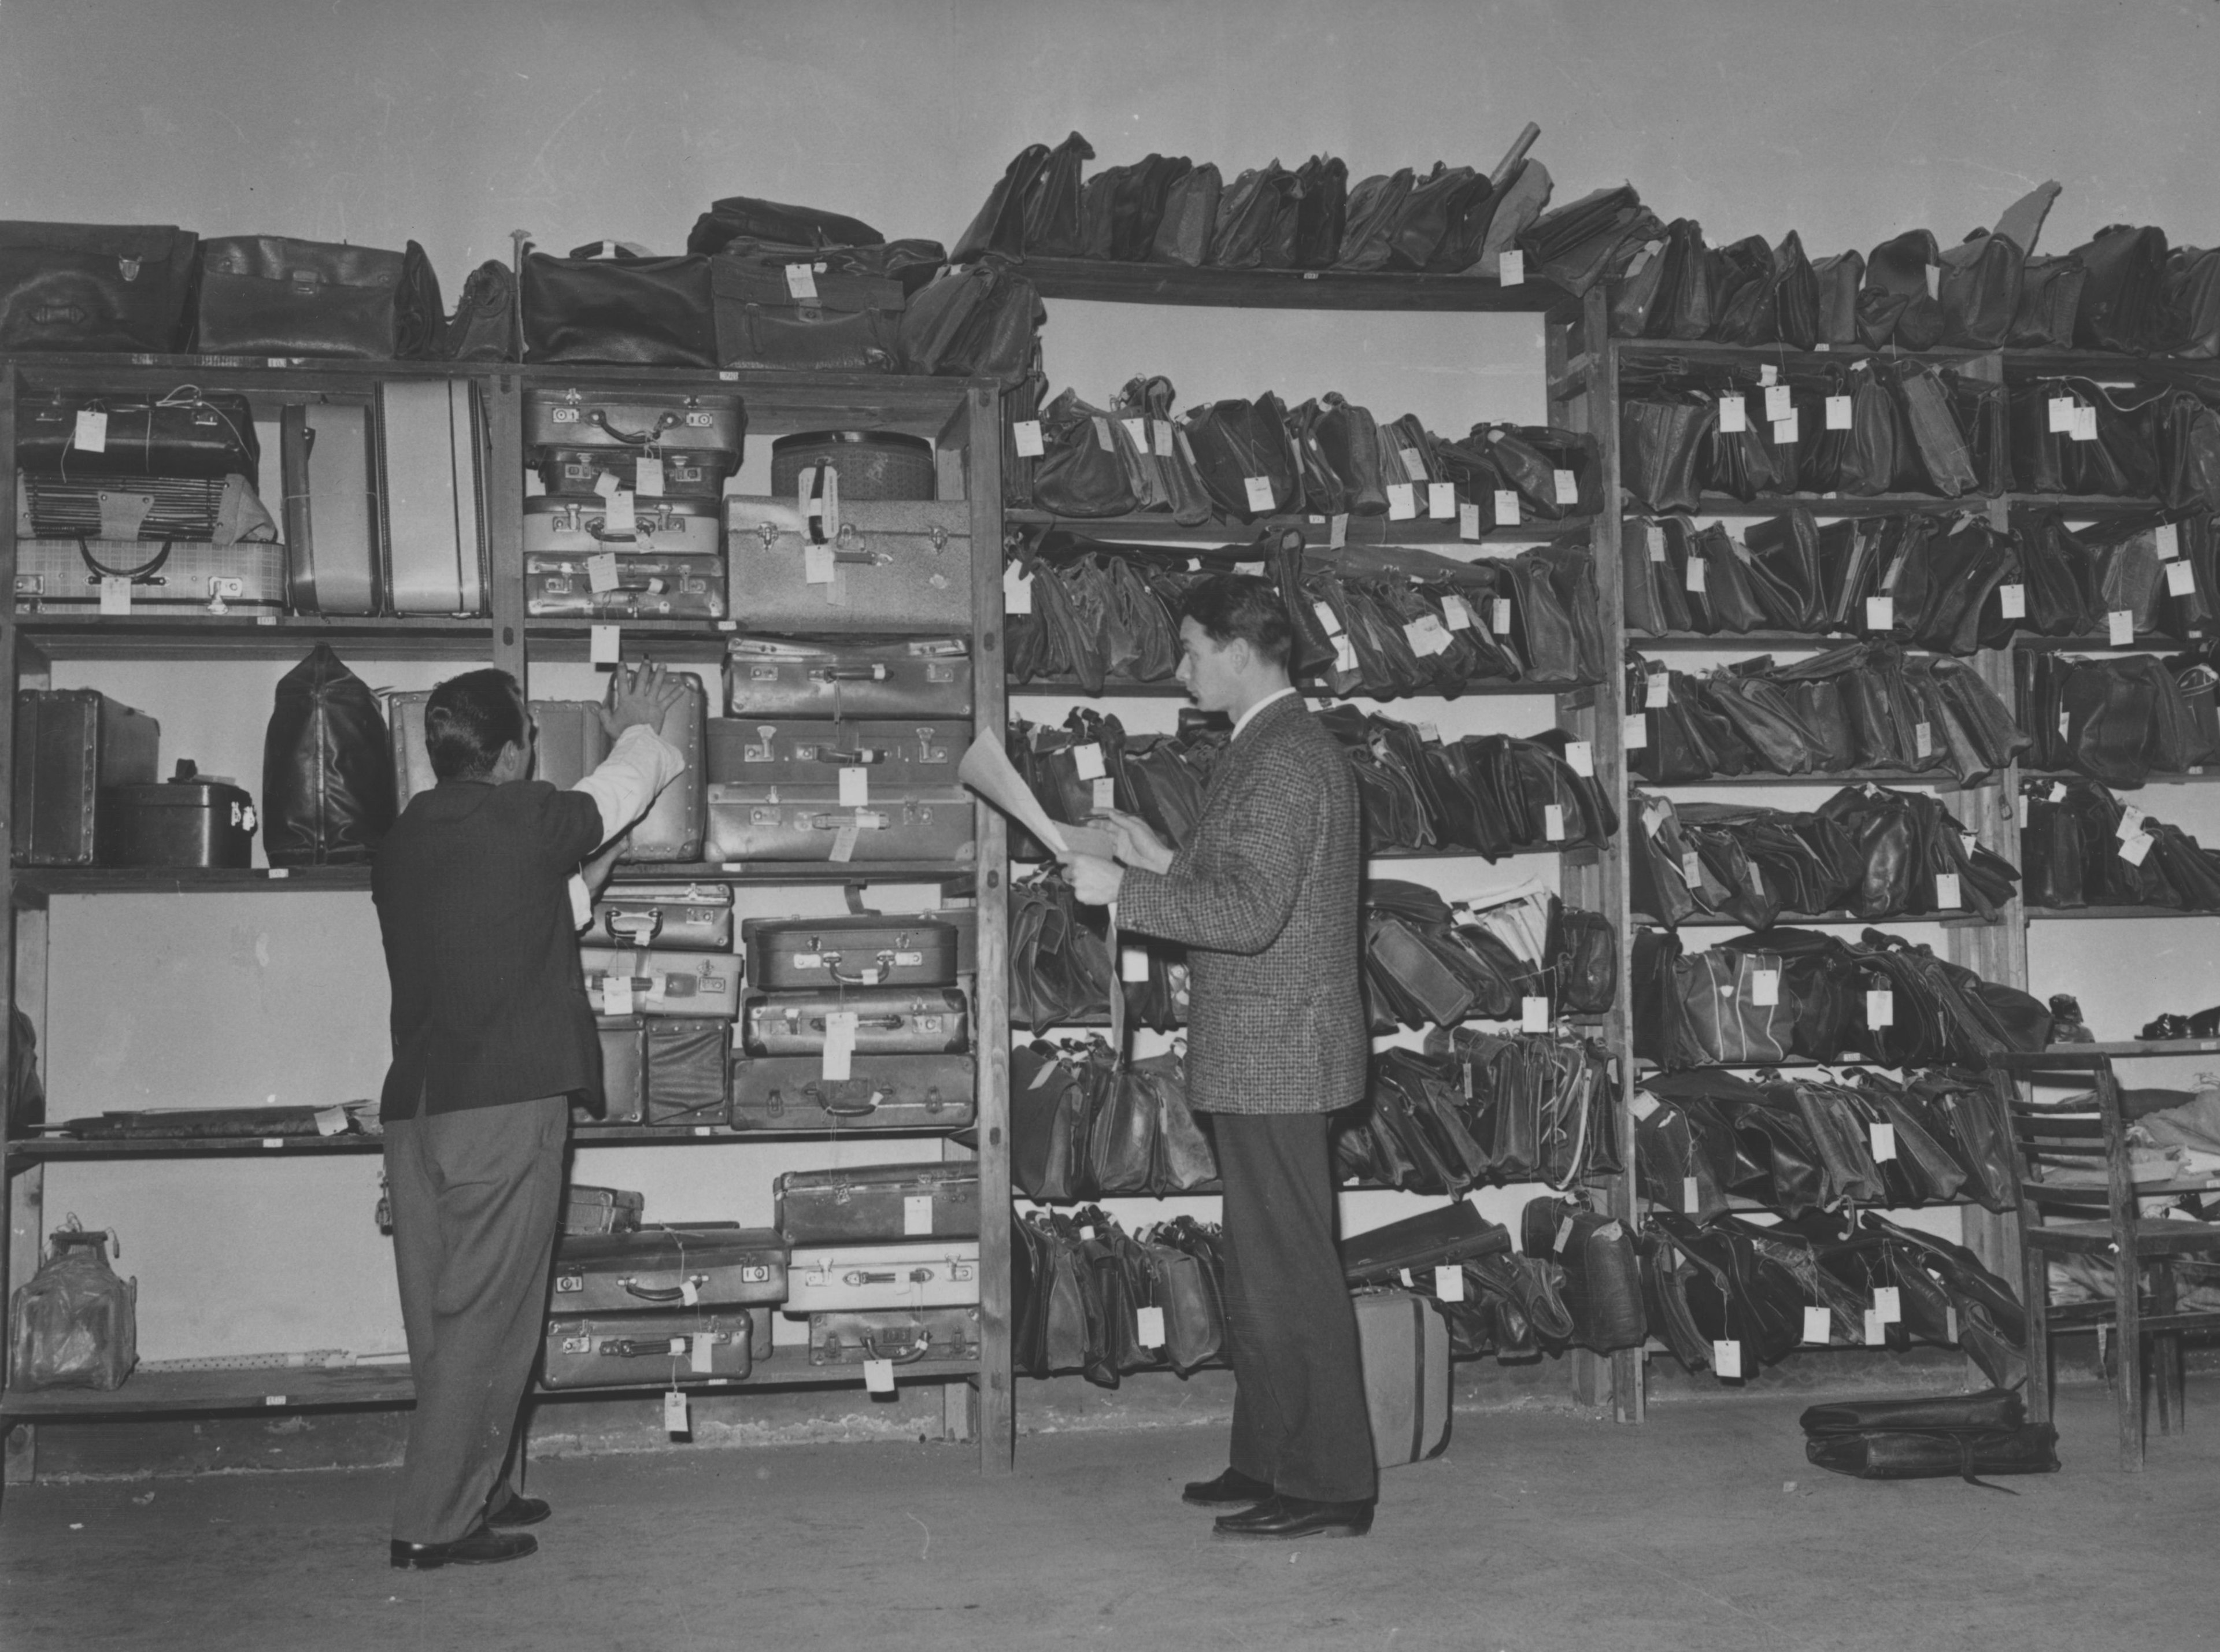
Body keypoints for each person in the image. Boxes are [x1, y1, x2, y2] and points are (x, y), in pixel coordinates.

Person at [1066, 574, 1376, 1540]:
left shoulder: (1284, 757)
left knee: (1291, 1273)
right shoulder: (1268, 745)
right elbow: (1244, 880)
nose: (1181, 666)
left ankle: (1329, 1485)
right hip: (1268, 1047)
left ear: (1242, 650)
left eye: (1194, 647)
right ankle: (1269, 1457)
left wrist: (1121, 891)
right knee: (1263, 1269)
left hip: (1282, 1051)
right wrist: (1160, 857)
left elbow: (1247, 916)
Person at [375, 661, 689, 1569]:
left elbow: (495, 922)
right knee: (491, 1311)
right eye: (533, 743)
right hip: (503, 1105)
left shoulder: (405, 837)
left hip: (419, 1110)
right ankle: (433, 1521)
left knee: (444, 1314)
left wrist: (589, 879)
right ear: (512, 753)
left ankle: (483, 1483)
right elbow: (621, 787)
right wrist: (637, 723)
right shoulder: (523, 814)